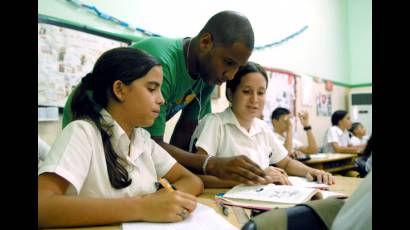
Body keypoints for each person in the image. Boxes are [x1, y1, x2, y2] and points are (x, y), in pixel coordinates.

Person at [62, 11, 268, 185]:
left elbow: (181, 140)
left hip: (131, 139)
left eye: (237, 68)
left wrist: (188, 175)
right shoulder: (162, 63)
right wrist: (210, 164)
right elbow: (155, 142)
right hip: (91, 123)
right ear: (205, 42)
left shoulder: (207, 78)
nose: (231, 75)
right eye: (228, 62)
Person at [38, 47, 203, 228]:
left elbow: (192, 180)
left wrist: (161, 202)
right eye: (152, 88)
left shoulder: (142, 140)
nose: (162, 100)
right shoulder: (82, 133)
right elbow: (43, 206)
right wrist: (143, 207)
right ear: (120, 89)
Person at [189, 62, 335, 188]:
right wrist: (256, 179)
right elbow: (198, 176)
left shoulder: (262, 127)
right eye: (246, 91)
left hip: (262, 198)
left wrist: (313, 172)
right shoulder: (215, 123)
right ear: (230, 94)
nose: (255, 99)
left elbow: (285, 163)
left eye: (261, 92)